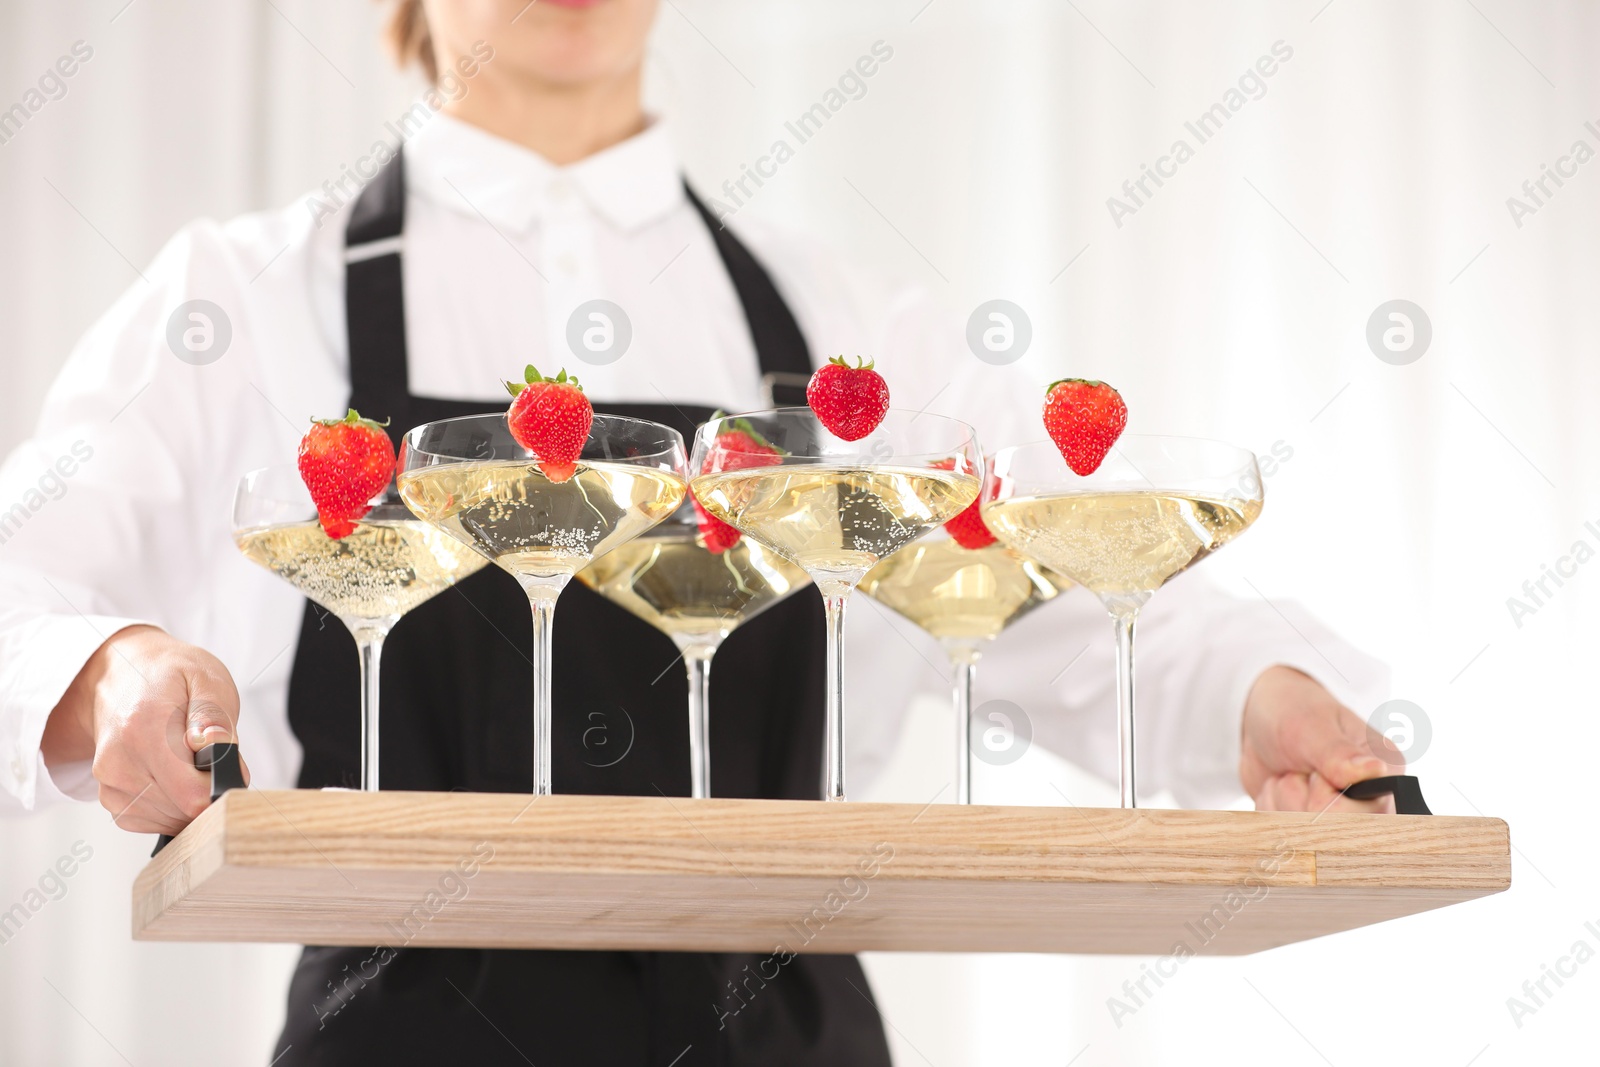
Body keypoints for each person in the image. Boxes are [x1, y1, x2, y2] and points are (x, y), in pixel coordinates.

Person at [0, 0, 1401, 1062]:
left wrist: (1264, 697)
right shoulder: (242, 297)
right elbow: (23, 585)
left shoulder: (849, 330)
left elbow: (1059, 577)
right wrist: (103, 670)